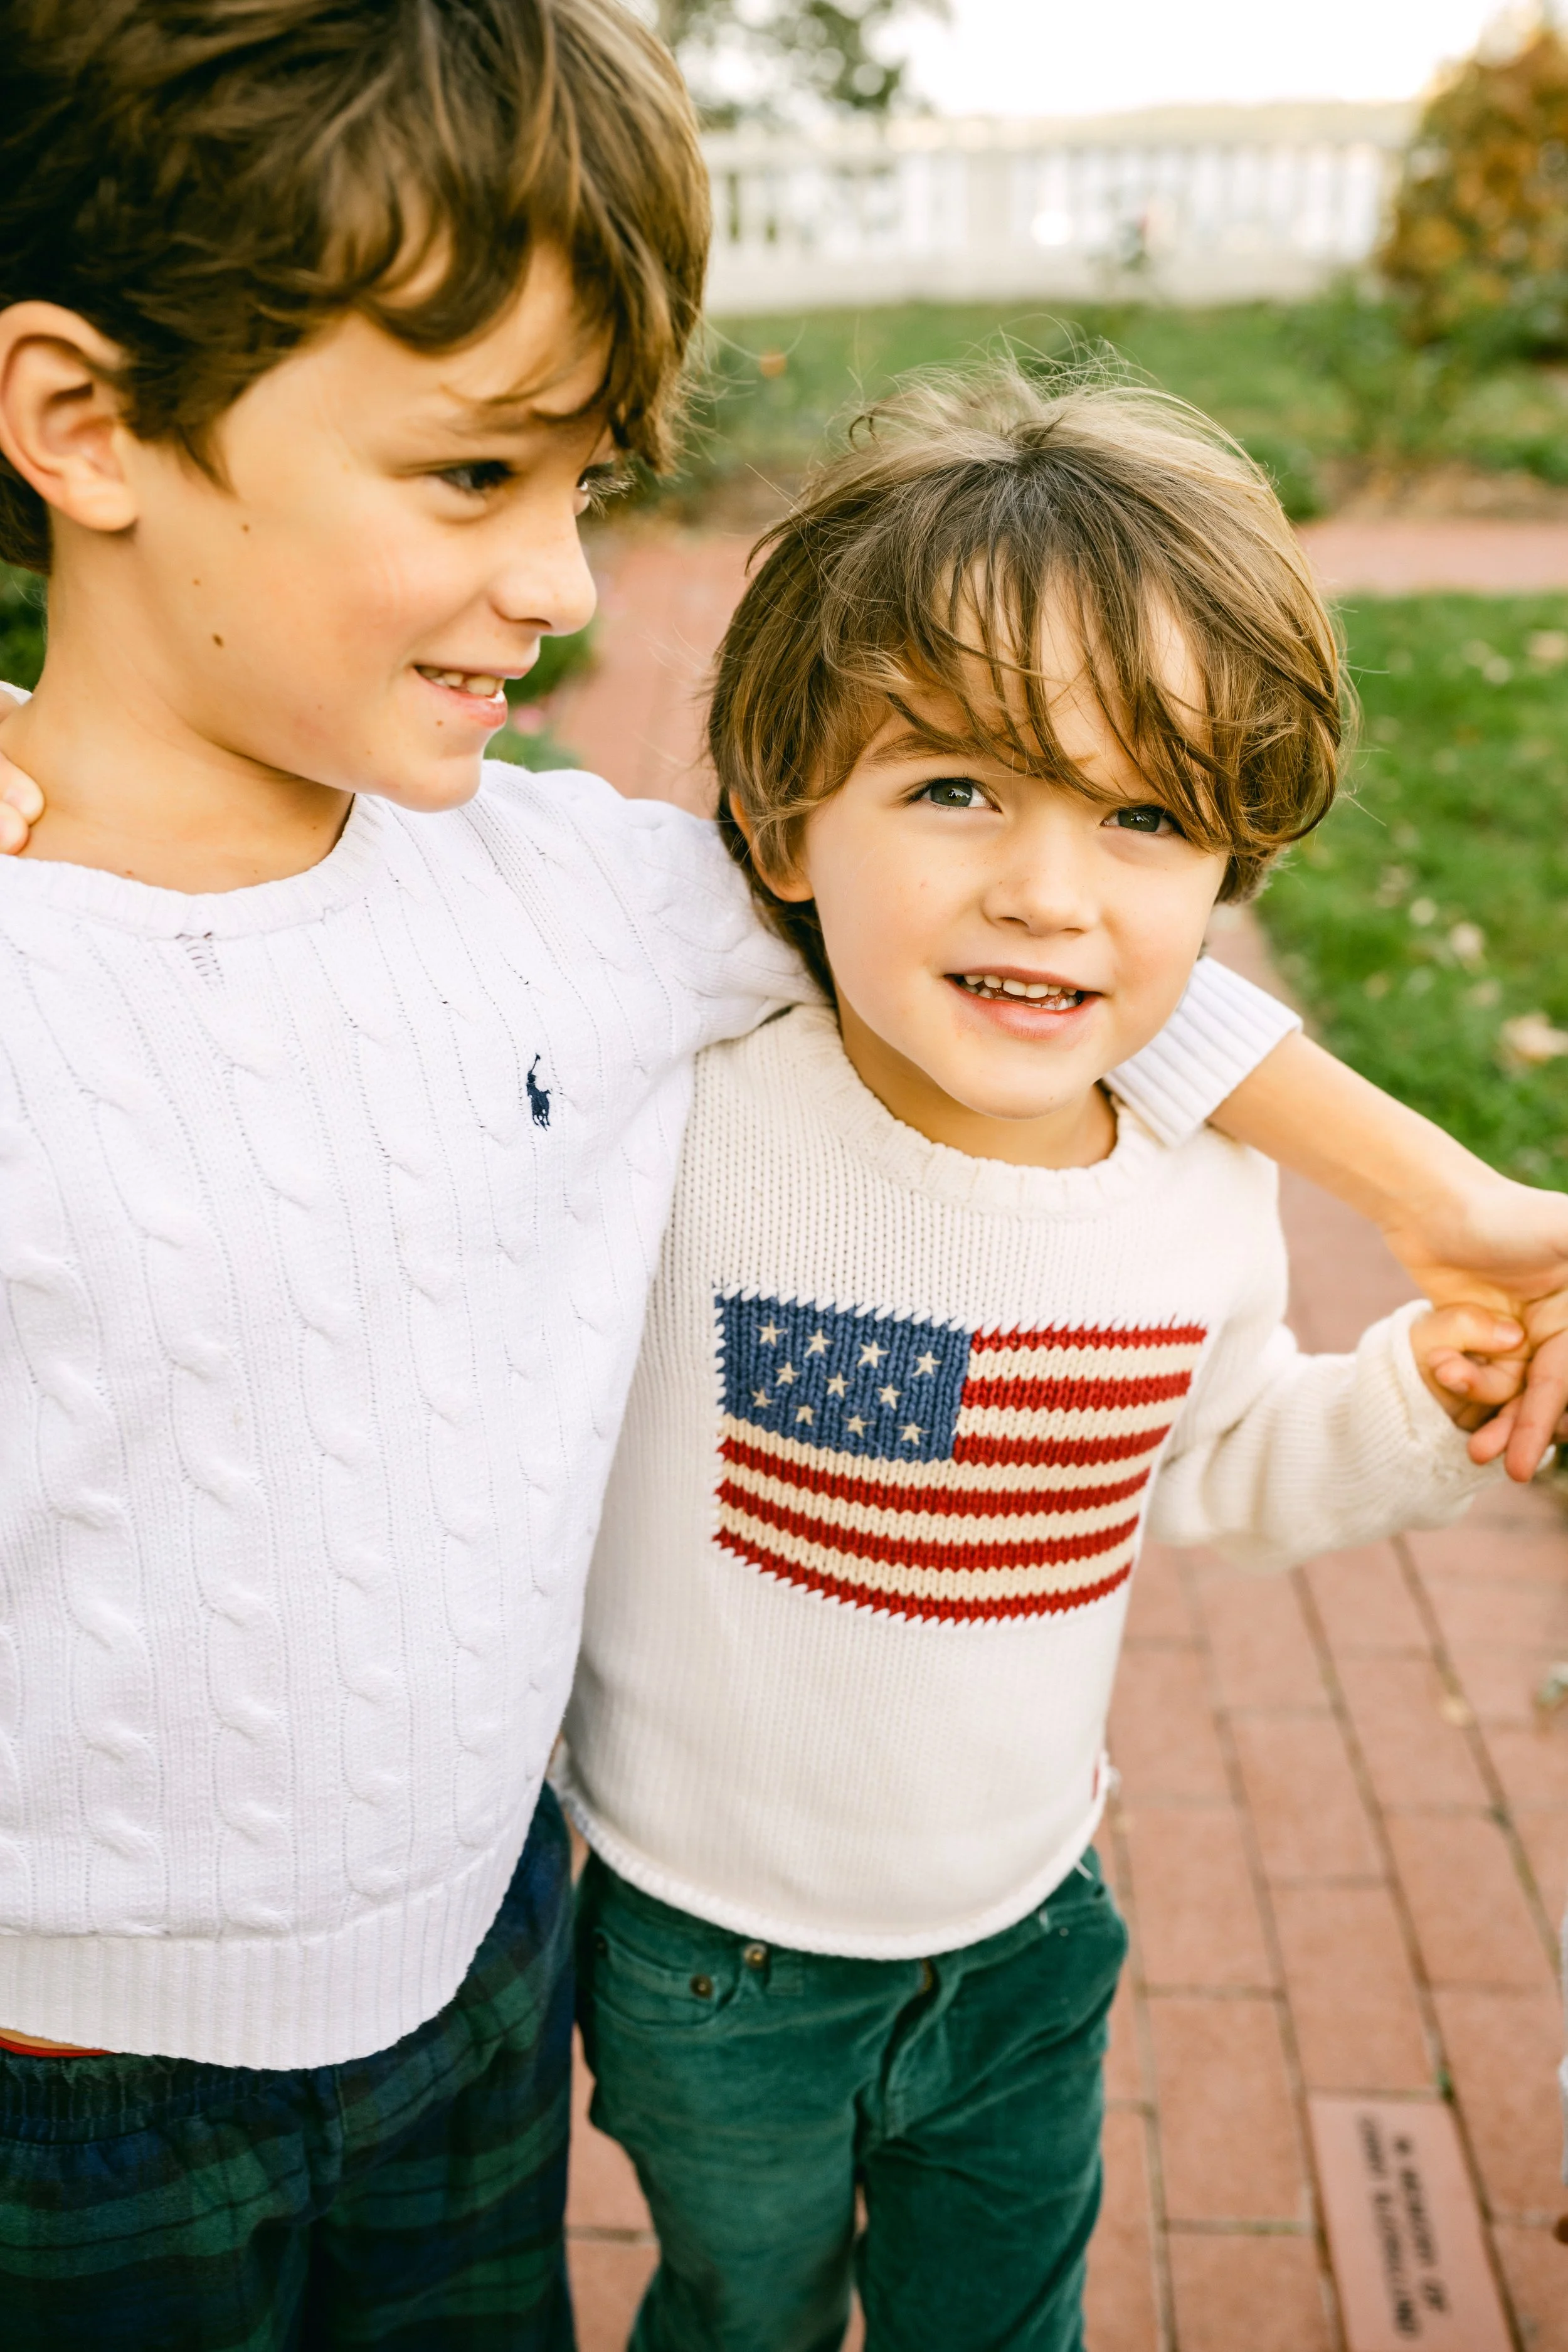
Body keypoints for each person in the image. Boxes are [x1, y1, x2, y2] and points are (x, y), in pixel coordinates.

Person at [0, 6, 1565, 2344]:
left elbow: (1040, 948)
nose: (556, 586)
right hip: (56, 2079)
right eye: (468, 478)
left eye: (585, 490)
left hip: (475, 1996)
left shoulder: (582, 902)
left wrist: (1434, 1188)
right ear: (86, 421)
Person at [558, 368, 1530, 2352]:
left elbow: (1231, 1457)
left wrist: (1415, 1396)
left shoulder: (1188, 1191)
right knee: (734, 2313)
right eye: (953, 785)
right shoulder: (693, 1103)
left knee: (1004, 2324)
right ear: (783, 816)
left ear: (1224, 866)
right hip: (707, 1942)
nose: (1047, 888)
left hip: (1024, 1924)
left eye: (1143, 815)